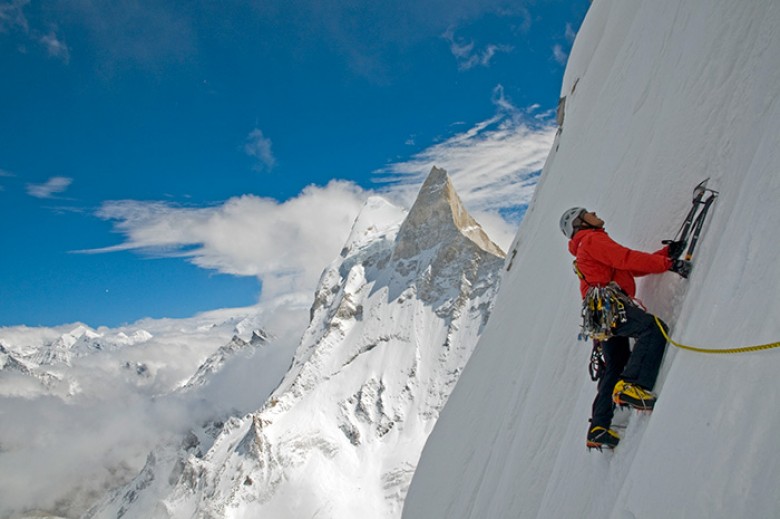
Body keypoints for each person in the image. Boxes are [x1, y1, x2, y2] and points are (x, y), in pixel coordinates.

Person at [559, 207, 690, 449]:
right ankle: (634, 385)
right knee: (653, 329)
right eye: (587, 212)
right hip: (610, 306)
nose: (594, 212)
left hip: (600, 315)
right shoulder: (592, 239)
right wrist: (670, 264)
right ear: (580, 223)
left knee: (615, 365)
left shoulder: (585, 246)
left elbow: (626, 267)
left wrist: (663, 255)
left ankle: (598, 427)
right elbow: (626, 258)